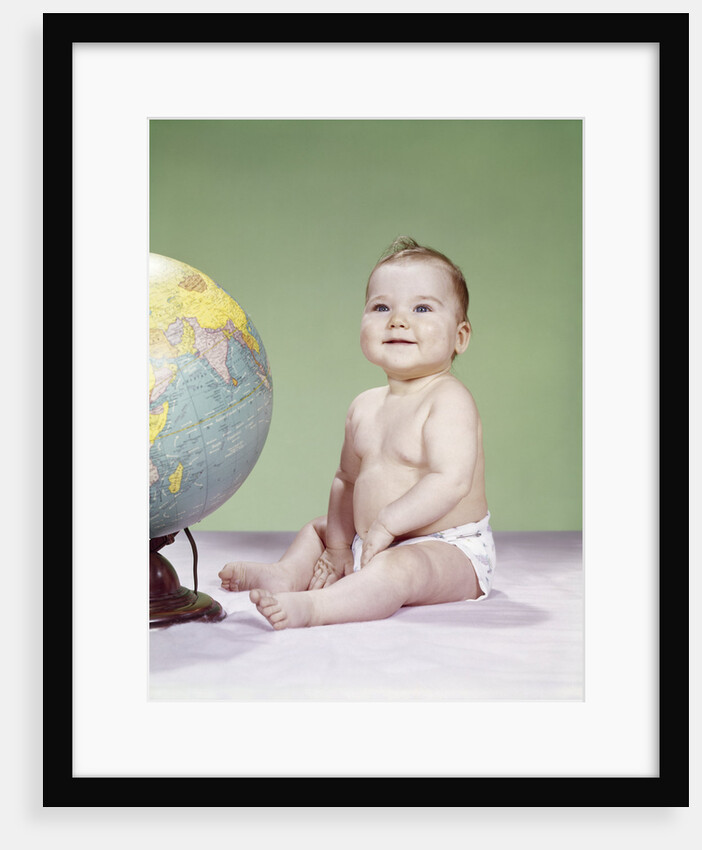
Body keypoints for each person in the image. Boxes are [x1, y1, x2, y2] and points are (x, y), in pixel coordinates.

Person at [219, 236, 496, 629]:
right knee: (320, 528)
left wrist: (386, 523)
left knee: (402, 569)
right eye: (381, 307)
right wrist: (336, 547)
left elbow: (450, 481)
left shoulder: (448, 399)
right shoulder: (364, 406)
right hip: (373, 540)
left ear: (460, 337)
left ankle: (316, 607)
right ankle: (285, 574)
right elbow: (345, 480)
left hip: (446, 547)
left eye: (421, 307)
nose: (398, 320)